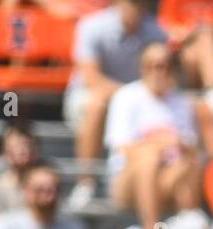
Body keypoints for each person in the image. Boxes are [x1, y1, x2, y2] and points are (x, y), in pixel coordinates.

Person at [65, 0, 168, 212]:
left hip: (136, 98)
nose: (135, 7)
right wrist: (130, 96)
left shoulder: (156, 32)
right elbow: (91, 78)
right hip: (91, 94)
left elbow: (162, 74)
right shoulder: (92, 26)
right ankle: (86, 182)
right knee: (97, 105)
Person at [104, 42, 203, 229]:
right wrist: (161, 143)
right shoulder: (126, 96)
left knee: (191, 162)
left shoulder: (182, 103)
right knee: (149, 159)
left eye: (166, 65)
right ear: (143, 69)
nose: (160, 72)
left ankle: (188, 225)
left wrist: (176, 144)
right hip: (128, 182)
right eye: (154, 66)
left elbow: (191, 148)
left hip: (168, 179)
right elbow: (123, 149)